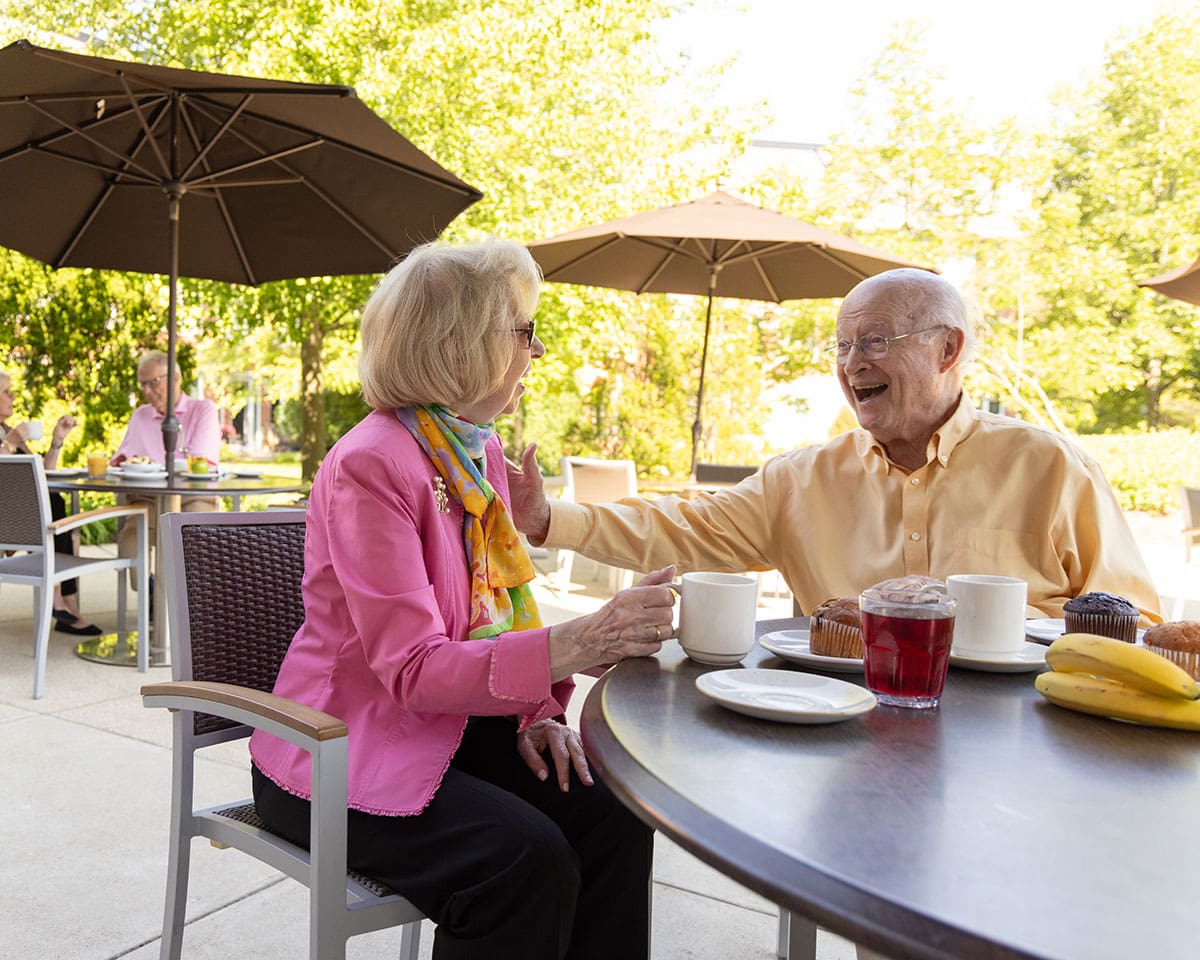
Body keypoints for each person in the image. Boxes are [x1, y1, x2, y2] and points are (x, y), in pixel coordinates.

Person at [249, 239, 675, 960]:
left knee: (613, 810)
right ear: (460, 343)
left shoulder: (475, 454)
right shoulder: (370, 463)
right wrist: (584, 641)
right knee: (521, 862)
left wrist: (538, 712)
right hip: (337, 755)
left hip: (446, 735)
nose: (537, 351)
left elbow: (495, 614)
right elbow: (414, 669)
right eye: (524, 329)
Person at [506, 267, 1162, 625]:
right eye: (842, 346)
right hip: (848, 726)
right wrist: (546, 519)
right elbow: (683, 528)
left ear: (948, 349)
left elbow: (1131, 622)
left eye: (874, 341)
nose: (852, 364)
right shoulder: (803, 480)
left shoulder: (1048, 467)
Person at [0, 368, 101, 635]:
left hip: (23, 514)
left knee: (55, 504)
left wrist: (57, 440)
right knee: (53, 506)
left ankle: (66, 603)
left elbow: (39, 475)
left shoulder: (9, 430)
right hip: (9, 519)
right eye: (6, 392)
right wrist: (8, 444)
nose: (12, 397)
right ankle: (59, 599)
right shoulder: (9, 436)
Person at [111, 350, 220, 582]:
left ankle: (192, 604)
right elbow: (122, 460)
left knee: (197, 542)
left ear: (176, 379)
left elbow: (199, 464)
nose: (147, 391)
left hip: (194, 499)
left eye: (153, 382)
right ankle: (151, 597)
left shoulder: (203, 411)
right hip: (148, 503)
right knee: (130, 544)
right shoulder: (140, 415)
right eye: (143, 385)